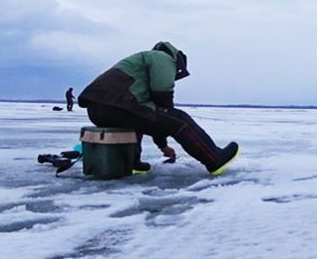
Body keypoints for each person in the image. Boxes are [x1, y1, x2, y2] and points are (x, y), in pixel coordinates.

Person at [77, 41, 239, 175]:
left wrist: (162, 145)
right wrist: (171, 117)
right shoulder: (163, 58)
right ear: (177, 60)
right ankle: (214, 159)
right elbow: (162, 94)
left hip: (98, 109)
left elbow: (151, 114)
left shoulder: (142, 60)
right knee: (181, 120)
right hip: (119, 106)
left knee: (138, 118)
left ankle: (132, 163)